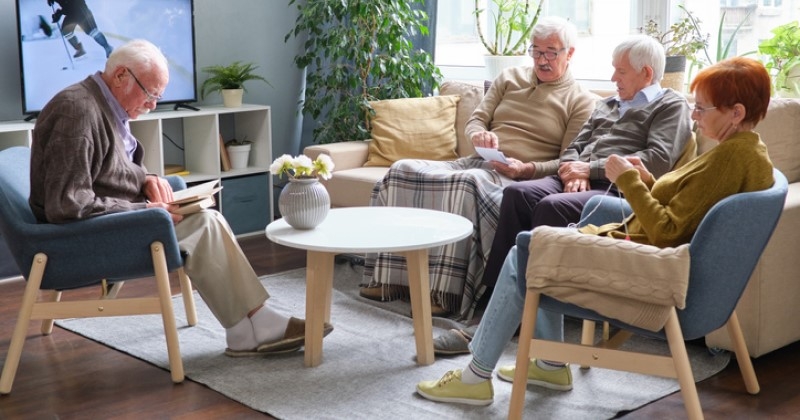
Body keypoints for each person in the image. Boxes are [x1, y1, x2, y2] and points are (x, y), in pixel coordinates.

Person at [415, 56, 775, 406]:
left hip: (654, 273)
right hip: (653, 255)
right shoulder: (747, 154)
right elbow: (684, 212)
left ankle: (476, 377)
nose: (695, 116)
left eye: (703, 109)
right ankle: (551, 365)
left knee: (525, 252)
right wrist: (650, 183)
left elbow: (666, 231)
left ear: (736, 112)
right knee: (542, 242)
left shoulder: (729, 159)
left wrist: (629, 180)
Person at [29, 39, 331, 357]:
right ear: (120, 76)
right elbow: (67, 203)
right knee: (204, 224)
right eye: (150, 94)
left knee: (208, 216)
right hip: (82, 240)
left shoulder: (104, 105)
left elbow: (105, 171)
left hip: (115, 220)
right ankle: (252, 326)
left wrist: (146, 180)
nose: (153, 105)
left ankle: (246, 328)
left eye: (158, 96)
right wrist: (145, 209)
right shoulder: (78, 112)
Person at [433, 34, 695, 352]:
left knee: (551, 207)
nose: (613, 78)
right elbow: (573, 148)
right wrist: (574, 170)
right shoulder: (609, 104)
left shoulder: (670, 105)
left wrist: (590, 170)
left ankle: (524, 321)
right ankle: (494, 307)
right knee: (517, 195)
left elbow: (656, 159)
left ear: (647, 74)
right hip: (574, 179)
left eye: (620, 72)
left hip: (618, 189)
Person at [360, 16, 599, 319]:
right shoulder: (509, 77)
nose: (542, 59)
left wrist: (527, 168)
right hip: (479, 161)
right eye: (536, 51)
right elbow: (477, 119)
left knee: (466, 184)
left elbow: (568, 161)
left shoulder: (580, 100)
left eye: (551, 52)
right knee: (402, 169)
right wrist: (478, 135)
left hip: (516, 177)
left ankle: (445, 293)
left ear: (571, 53)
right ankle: (389, 280)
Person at [48, 0, 114, 58]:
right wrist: (58, 13)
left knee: (92, 32)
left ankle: (108, 48)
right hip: (71, 14)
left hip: (81, 10)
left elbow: (72, 4)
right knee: (66, 31)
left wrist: (60, 13)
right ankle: (79, 49)